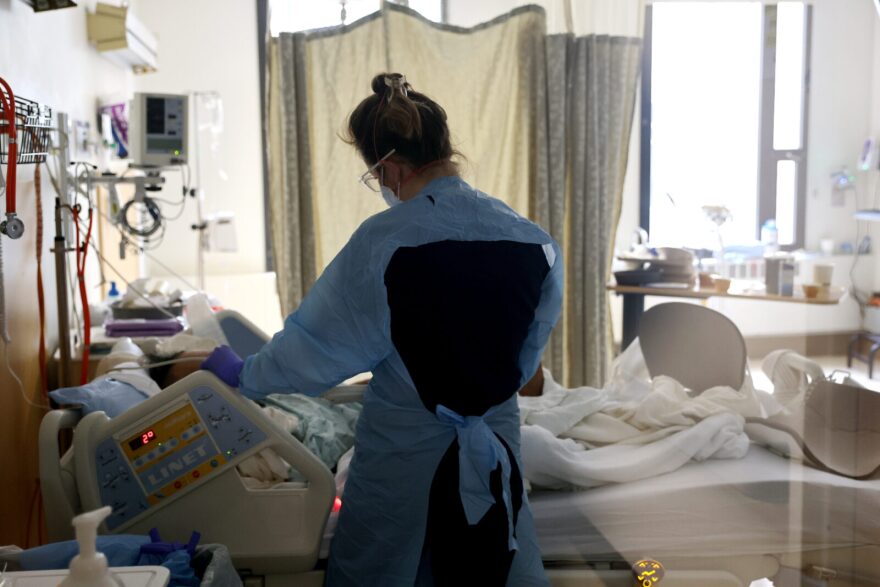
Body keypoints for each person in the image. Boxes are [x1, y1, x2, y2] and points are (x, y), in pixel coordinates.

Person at [202, 73, 562, 586]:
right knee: (492, 564)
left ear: (389, 168)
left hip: (404, 461)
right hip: (495, 448)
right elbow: (525, 360)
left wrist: (244, 374)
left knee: (387, 569)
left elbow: (316, 349)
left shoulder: (386, 244)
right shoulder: (536, 242)